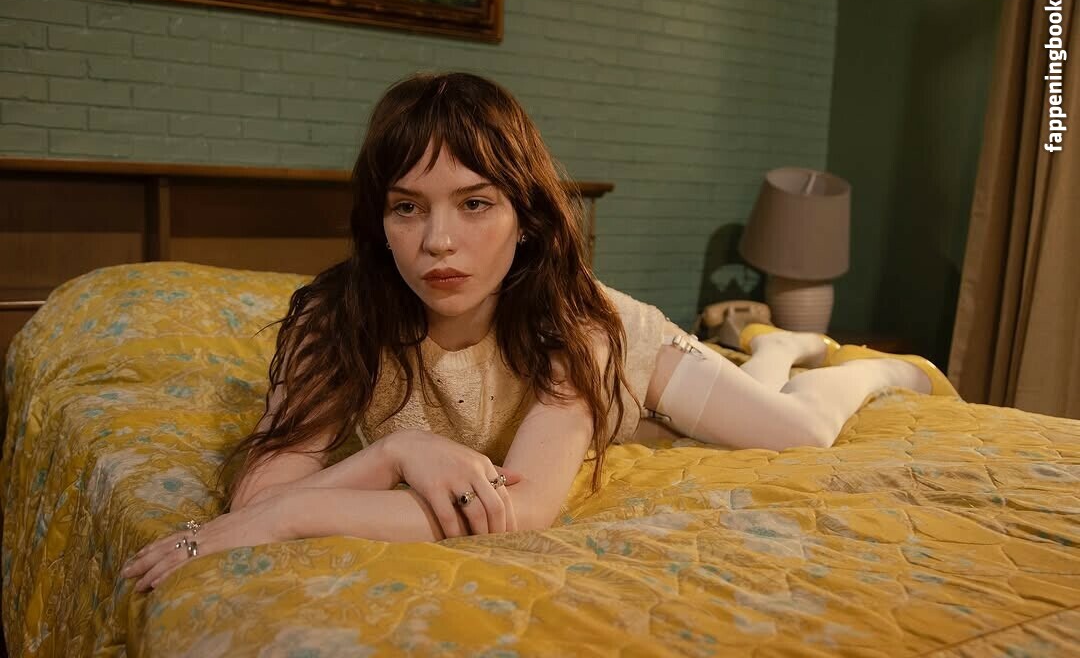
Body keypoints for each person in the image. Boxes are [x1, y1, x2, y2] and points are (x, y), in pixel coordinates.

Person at [121, 72, 957, 592]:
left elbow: (518, 513)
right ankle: (763, 353)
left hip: (628, 366)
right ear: (380, 222)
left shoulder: (578, 323)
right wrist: (396, 454)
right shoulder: (336, 320)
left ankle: (840, 364)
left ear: (523, 218)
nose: (438, 242)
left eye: (474, 204)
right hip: (550, 405)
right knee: (711, 421)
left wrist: (302, 514)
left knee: (799, 432)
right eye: (407, 207)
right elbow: (255, 506)